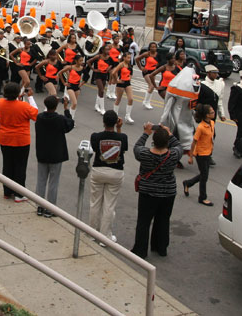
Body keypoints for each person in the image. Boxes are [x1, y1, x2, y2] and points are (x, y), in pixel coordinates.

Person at [130, 123, 182, 258]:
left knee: (144, 220)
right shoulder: (173, 155)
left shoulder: (144, 154)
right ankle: (160, 247)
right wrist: (169, 134)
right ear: (167, 142)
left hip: (148, 192)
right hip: (168, 192)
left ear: (153, 141)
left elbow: (136, 147)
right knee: (163, 219)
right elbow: (179, 146)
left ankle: (140, 249)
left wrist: (146, 132)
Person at [89, 110, 128, 246]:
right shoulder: (122, 137)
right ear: (116, 121)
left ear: (103, 122)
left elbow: (94, 149)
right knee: (109, 206)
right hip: (115, 172)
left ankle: (92, 232)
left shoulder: (96, 137)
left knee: (95, 203)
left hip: (98, 170)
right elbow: (122, 148)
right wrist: (119, 128)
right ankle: (105, 237)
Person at [0, 82, 39, 202]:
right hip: (21, 140)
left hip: (5, 138)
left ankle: (7, 191)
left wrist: (18, 99)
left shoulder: (0, 103)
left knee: (7, 165)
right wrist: (30, 97)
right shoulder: (24, 106)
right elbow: (35, 114)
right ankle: (19, 194)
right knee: (20, 166)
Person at [34, 95, 75, 217]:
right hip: (56, 154)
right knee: (53, 182)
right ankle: (50, 208)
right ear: (56, 106)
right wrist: (66, 109)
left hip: (42, 153)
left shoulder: (40, 118)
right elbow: (70, 124)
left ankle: (39, 206)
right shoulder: (60, 119)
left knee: (41, 180)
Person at [183, 104, 215, 206]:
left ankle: (188, 183)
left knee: (204, 175)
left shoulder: (212, 123)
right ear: (206, 115)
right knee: (204, 176)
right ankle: (202, 198)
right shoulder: (201, 127)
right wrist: (191, 156)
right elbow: (194, 142)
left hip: (208, 152)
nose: (214, 113)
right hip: (201, 154)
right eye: (212, 112)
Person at [58, 54, 85, 119]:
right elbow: (60, 73)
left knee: (74, 104)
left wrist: (81, 84)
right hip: (70, 86)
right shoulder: (70, 67)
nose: (82, 62)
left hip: (77, 87)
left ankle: (70, 118)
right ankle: (69, 118)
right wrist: (64, 82)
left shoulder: (82, 68)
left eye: (82, 61)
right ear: (76, 61)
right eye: (80, 61)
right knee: (75, 103)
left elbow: (87, 76)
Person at [111, 53, 135, 124]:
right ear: (124, 58)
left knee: (131, 99)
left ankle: (127, 116)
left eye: (130, 58)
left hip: (127, 83)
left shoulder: (130, 65)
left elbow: (131, 73)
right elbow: (113, 72)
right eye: (128, 58)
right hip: (120, 84)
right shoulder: (121, 64)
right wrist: (117, 80)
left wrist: (129, 78)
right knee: (118, 99)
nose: (129, 59)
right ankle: (115, 115)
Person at [136, 42, 160, 109]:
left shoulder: (157, 54)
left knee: (150, 87)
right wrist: (141, 68)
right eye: (152, 47)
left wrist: (156, 67)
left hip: (153, 72)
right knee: (151, 86)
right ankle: (145, 102)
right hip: (146, 71)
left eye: (155, 47)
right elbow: (137, 59)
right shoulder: (147, 54)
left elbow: (159, 62)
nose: (153, 48)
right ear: (149, 48)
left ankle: (148, 102)